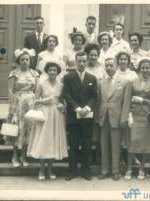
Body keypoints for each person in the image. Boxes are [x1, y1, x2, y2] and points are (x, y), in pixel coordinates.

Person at [27, 60, 68, 180]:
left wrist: (63, 106)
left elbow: (63, 101)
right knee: (44, 141)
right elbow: (35, 101)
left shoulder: (61, 85)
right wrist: (44, 102)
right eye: (50, 70)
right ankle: (41, 170)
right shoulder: (41, 84)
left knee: (53, 141)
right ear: (47, 71)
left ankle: (50, 169)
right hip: (44, 115)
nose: (52, 72)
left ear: (57, 72)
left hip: (56, 115)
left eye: (54, 70)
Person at [62, 51, 97, 181]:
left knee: (87, 144)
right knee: (73, 144)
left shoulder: (92, 78)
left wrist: (87, 108)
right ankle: (72, 170)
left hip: (87, 116)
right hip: (74, 116)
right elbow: (67, 95)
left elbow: (94, 96)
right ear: (75, 62)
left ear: (87, 62)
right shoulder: (68, 77)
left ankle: (86, 170)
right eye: (79, 61)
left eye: (84, 61)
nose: (82, 63)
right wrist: (77, 108)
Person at [96, 57, 131, 181]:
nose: (109, 68)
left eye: (111, 65)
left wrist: (124, 118)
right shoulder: (101, 82)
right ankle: (105, 170)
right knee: (104, 145)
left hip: (117, 117)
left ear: (116, 66)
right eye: (107, 66)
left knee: (116, 145)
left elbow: (126, 103)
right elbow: (99, 100)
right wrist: (97, 117)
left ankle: (116, 171)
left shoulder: (125, 82)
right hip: (103, 116)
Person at [124, 57, 150, 180]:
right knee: (132, 142)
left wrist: (143, 100)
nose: (145, 70)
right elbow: (127, 100)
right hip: (134, 115)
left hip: (147, 117)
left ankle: (142, 168)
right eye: (142, 68)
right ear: (139, 69)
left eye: (147, 68)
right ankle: (129, 168)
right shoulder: (132, 81)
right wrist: (128, 115)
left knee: (145, 143)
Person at [6, 48, 39, 167]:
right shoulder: (14, 74)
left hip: (30, 105)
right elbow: (10, 91)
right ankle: (15, 156)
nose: (25, 61)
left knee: (27, 131)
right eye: (22, 59)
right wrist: (12, 109)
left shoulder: (34, 74)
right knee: (16, 130)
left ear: (30, 61)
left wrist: (36, 106)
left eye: (27, 59)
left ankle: (23, 155)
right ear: (19, 61)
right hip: (17, 105)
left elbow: (37, 91)